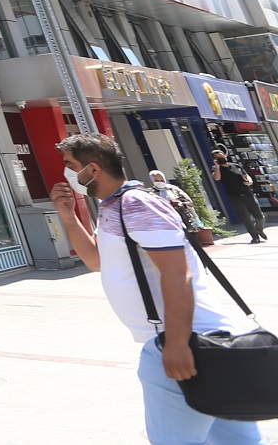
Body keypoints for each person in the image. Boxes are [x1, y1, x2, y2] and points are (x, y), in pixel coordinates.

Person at [50, 132, 259, 445]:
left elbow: (177, 273)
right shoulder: (114, 206)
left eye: (70, 165)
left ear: (93, 169)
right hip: (195, 341)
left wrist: (176, 344)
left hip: (185, 342)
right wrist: (68, 217)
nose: (66, 173)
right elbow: (96, 260)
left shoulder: (136, 205)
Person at [210, 149, 267, 243]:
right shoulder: (216, 168)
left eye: (222, 156)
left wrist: (249, 181)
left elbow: (246, 175)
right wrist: (217, 166)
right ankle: (254, 236)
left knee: (260, 216)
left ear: (225, 155)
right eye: (218, 158)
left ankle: (259, 229)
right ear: (215, 160)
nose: (221, 158)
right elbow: (217, 178)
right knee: (246, 217)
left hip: (248, 194)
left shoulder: (235, 165)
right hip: (235, 197)